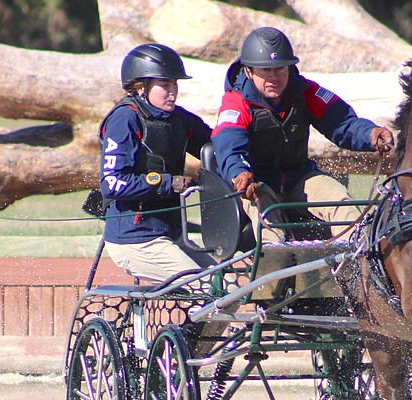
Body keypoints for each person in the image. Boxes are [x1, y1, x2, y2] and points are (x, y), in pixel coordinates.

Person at [211, 27, 394, 242]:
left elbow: (342, 122)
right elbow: (228, 145)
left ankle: (357, 265)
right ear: (249, 71)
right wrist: (239, 173)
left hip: (299, 177)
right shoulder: (236, 101)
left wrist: (370, 133)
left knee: (343, 205)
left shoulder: (306, 92)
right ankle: (276, 271)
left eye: (280, 69)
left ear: (290, 68)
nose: (274, 78)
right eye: (265, 71)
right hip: (257, 185)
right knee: (271, 229)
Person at [99, 43, 214, 282]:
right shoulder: (125, 120)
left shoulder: (178, 118)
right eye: (165, 85)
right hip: (135, 240)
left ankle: (197, 322)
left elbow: (215, 144)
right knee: (209, 290)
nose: (173, 91)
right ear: (141, 87)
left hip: (170, 235)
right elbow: (112, 183)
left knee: (227, 285)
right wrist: (167, 182)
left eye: (175, 84)